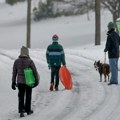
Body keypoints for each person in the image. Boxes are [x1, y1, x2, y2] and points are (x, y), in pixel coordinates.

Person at [11, 46, 39, 117]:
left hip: (20, 82)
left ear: (21, 53)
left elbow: (14, 73)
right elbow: (35, 71)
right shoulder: (30, 61)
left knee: (21, 96)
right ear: (27, 53)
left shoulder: (16, 61)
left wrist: (13, 82)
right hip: (28, 82)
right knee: (28, 95)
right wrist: (36, 80)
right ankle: (28, 110)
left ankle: (21, 112)